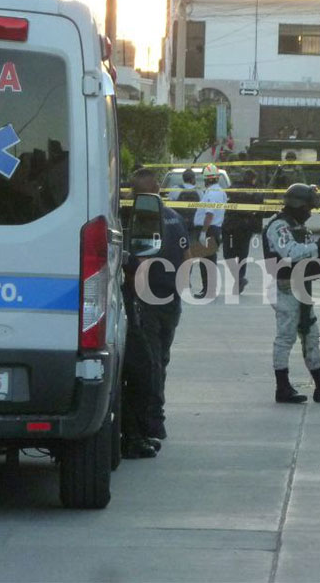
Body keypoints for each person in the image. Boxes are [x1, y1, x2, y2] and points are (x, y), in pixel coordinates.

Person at [262, 183, 320, 404]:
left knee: (311, 335)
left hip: (300, 287)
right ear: (297, 205)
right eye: (307, 208)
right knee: (286, 337)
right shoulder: (279, 227)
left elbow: (304, 247)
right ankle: (282, 388)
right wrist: (318, 247)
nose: (310, 213)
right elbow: (290, 252)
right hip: (285, 288)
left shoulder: (295, 225)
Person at [129, 168, 190, 446]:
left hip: (147, 300)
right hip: (170, 298)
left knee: (150, 362)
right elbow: (187, 256)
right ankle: (155, 420)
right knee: (160, 361)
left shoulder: (134, 221)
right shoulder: (175, 217)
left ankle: (150, 421)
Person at [222, 168, 263, 293]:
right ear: (253, 179)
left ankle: (238, 279)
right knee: (242, 255)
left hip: (230, 226)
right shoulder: (256, 192)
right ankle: (239, 278)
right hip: (245, 227)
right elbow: (260, 210)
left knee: (228, 255)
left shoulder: (233, 188)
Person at [193, 164, 227, 297]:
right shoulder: (218, 191)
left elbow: (209, 214)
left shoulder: (213, 193)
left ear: (207, 179)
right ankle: (207, 288)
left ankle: (208, 290)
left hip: (209, 230)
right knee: (207, 260)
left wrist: (203, 232)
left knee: (207, 261)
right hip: (213, 229)